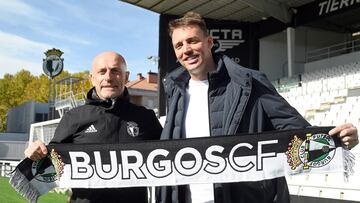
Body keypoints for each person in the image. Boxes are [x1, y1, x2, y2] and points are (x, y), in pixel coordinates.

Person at [156, 12, 359, 203]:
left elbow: (294, 129)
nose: (186, 50)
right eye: (179, 45)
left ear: (209, 42)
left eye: (192, 41)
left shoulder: (249, 82)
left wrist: (338, 139)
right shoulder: (175, 90)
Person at [25, 51, 163, 203]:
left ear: (126, 76)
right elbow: (53, 162)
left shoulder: (146, 118)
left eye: (115, 71)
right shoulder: (73, 117)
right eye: (102, 71)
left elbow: (170, 159)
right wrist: (37, 153)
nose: (108, 77)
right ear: (92, 78)